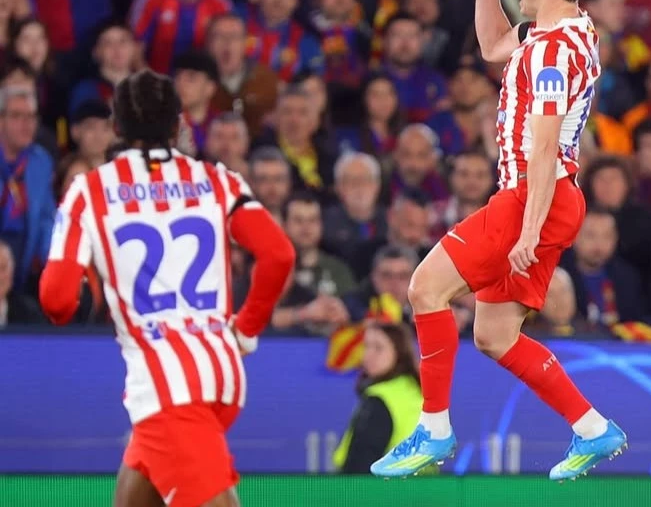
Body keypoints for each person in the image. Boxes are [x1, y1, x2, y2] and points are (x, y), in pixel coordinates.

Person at [369, 0, 627, 481]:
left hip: (536, 196)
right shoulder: (567, 32)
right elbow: (490, 45)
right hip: (550, 196)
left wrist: (529, 230)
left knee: (425, 288)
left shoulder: (550, 54)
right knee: (493, 335)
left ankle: (432, 428)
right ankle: (591, 427)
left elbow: (543, 150)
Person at [37, 71, 296, 507]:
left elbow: (57, 302)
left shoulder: (88, 191)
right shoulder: (219, 181)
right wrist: (246, 329)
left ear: (115, 126)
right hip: (221, 371)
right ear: (177, 125)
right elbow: (279, 255)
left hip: (165, 385)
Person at [333, 323, 424, 474]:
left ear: (399, 352)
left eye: (378, 347)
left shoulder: (380, 399)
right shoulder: (416, 392)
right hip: (421, 490)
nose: (369, 354)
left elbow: (361, 462)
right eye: (366, 346)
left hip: (382, 492)